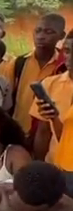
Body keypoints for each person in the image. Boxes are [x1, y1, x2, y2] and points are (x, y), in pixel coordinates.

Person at [1, 13, 66, 135]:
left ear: (61, 36)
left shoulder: (63, 67)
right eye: (38, 31)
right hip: (18, 132)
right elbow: (6, 101)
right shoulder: (18, 63)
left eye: (49, 32)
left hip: (48, 135)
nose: (41, 36)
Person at [31, 31, 73, 172]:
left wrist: (54, 118)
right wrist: (39, 165)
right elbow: (43, 131)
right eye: (67, 51)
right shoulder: (50, 84)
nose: (70, 58)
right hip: (55, 167)